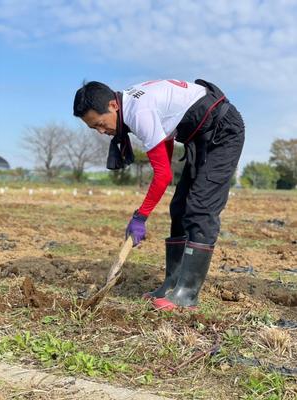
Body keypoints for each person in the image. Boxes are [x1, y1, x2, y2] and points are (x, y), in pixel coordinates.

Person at [73, 78, 245, 311]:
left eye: (101, 124)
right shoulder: (132, 103)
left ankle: (187, 295)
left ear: (113, 105)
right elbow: (167, 137)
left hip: (222, 132)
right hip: (200, 136)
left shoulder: (138, 111)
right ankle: (172, 282)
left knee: (200, 209)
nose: (102, 132)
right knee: (180, 208)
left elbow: (163, 175)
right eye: (94, 128)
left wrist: (140, 216)